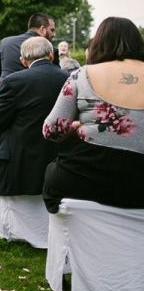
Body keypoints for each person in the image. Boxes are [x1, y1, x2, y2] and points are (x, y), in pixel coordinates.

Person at [43, 16, 144, 213]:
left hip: (86, 176)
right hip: (139, 183)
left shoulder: (82, 74)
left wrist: (76, 128)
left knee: (51, 175)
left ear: (99, 42)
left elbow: (50, 129)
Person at [0, 37, 67, 231]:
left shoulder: (15, 80)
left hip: (22, 161)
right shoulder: (69, 78)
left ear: (23, 60)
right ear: (51, 55)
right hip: (59, 156)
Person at [0, 13, 57, 82]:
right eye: (52, 30)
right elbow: (55, 75)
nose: (53, 34)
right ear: (42, 29)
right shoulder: (49, 50)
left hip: (6, 90)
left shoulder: (5, 42)